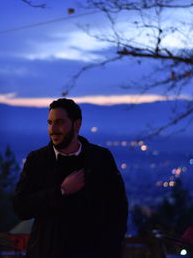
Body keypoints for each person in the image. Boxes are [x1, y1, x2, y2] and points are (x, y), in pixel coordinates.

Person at [13, 98, 128, 258]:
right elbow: (21, 207)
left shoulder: (100, 159)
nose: (53, 129)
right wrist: (61, 191)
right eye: (50, 122)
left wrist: (109, 248)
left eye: (59, 122)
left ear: (76, 125)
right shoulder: (37, 161)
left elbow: (118, 210)